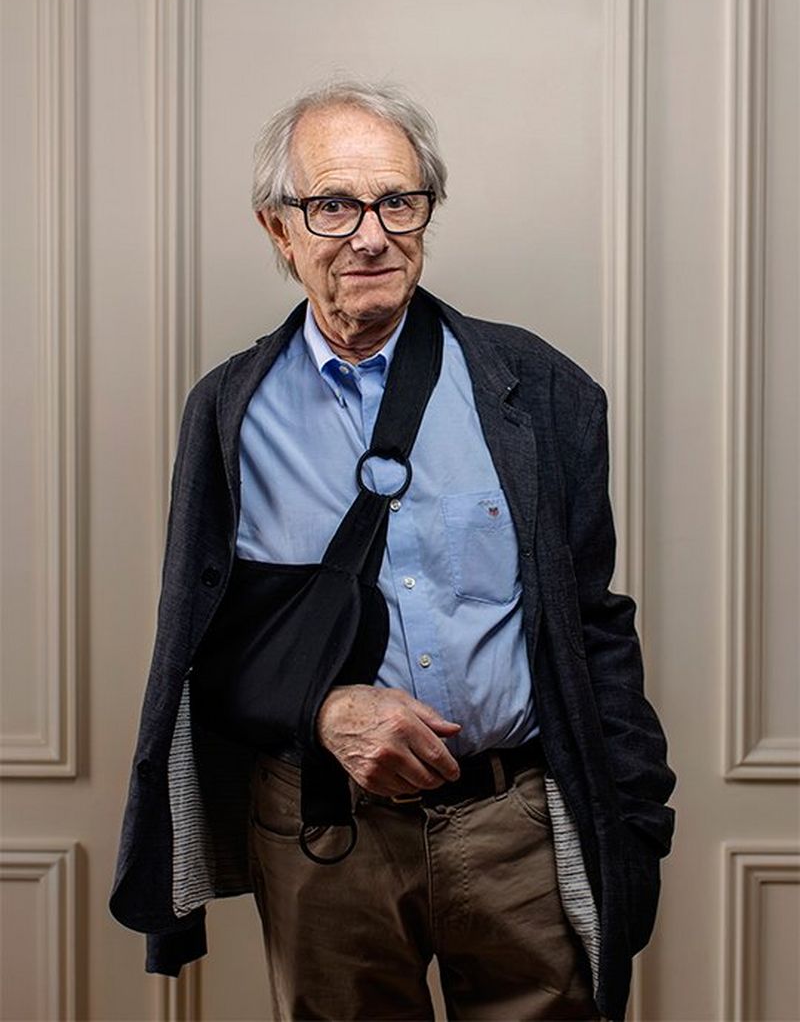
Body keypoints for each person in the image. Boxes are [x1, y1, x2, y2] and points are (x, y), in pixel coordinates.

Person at [111, 81, 675, 1021]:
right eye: (333, 205)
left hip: (518, 829)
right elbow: (207, 646)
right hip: (321, 837)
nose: (370, 234)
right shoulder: (228, 411)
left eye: (397, 201)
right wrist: (323, 706)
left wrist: (637, 822)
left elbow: (592, 620)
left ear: (425, 211)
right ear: (278, 230)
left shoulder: (537, 387)